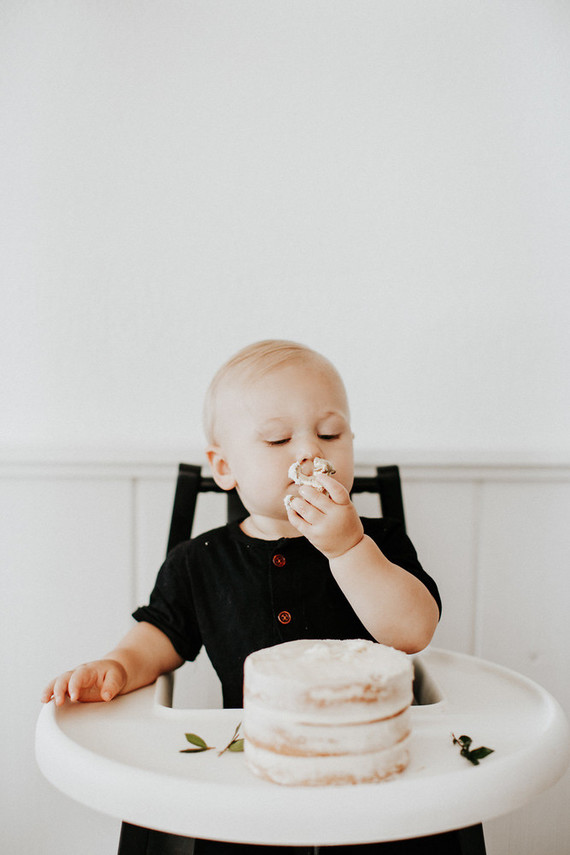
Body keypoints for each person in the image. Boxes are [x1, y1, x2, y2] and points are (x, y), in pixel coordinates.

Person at [43, 340, 452, 854]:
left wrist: (349, 549)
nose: (311, 453)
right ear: (224, 467)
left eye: (330, 433)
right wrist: (119, 665)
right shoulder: (200, 561)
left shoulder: (379, 542)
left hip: (373, 777)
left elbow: (413, 632)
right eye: (279, 439)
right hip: (251, 777)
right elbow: (161, 635)